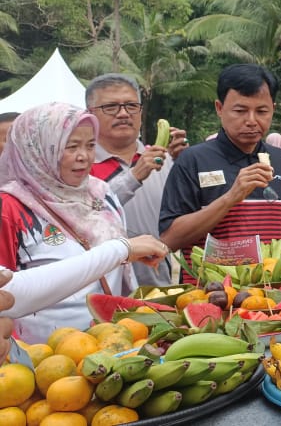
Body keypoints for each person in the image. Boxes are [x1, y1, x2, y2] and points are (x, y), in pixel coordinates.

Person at [0, 103, 168, 343]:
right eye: (71, 146)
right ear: (37, 150)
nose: (84, 156)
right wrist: (120, 250)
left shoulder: (101, 193)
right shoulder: (9, 207)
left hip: (111, 345)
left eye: (90, 146)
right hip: (43, 359)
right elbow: (5, 292)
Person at [159, 65, 281, 269]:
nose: (251, 120)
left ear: (273, 109)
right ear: (219, 108)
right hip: (210, 293)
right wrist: (231, 197)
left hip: (270, 292)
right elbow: (169, 240)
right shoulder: (192, 160)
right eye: (240, 110)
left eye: (261, 111)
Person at [86, 74, 188, 287]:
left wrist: (186, 165)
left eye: (131, 106)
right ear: (89, 115)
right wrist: (134, 176)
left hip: (159, 283)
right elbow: (86, 215)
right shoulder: (80, 165)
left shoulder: (165, 161)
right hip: (101, 286)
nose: (123, 113)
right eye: (111, 107)